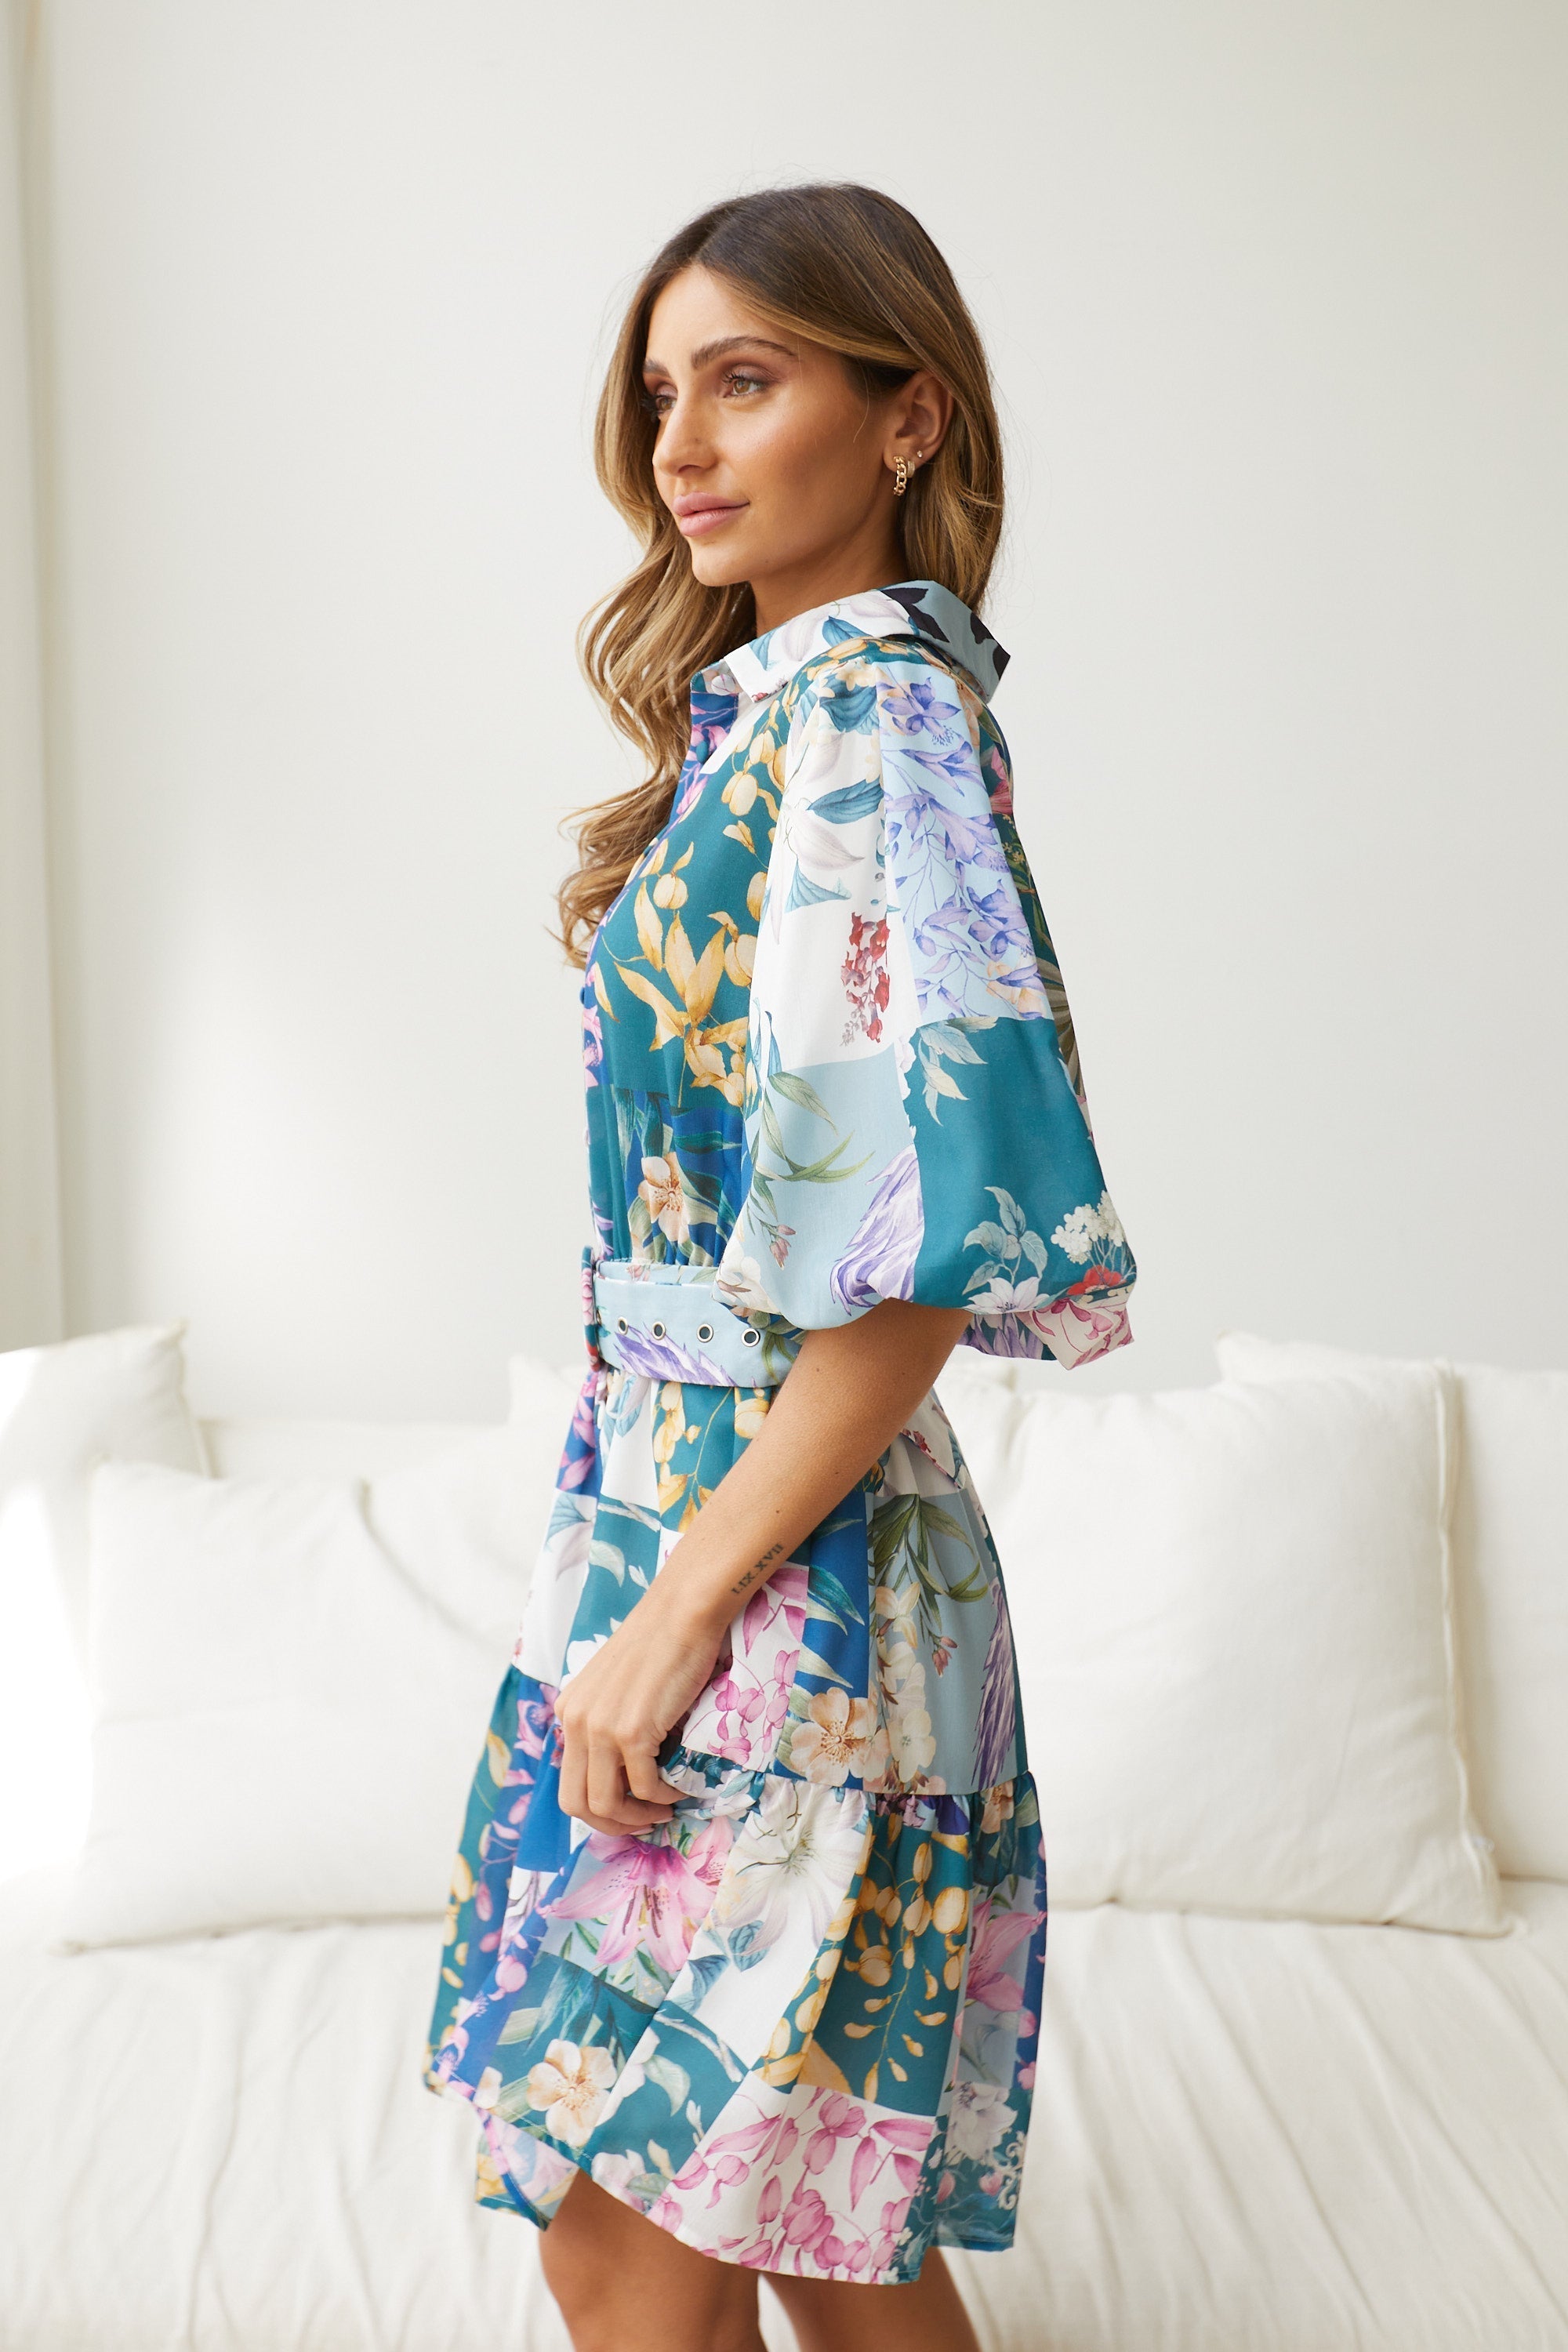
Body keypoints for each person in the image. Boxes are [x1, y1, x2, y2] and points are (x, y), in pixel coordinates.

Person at [423, 181, 1137, 2352]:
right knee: (790, 2223)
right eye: (664, 393)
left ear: (908, 416)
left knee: (646, 2237)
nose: (682, 444)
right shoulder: (783, 715)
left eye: (748, 379)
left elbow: (906, 1266)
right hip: (692, 1524)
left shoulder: (875, 729)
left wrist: (672, 1614)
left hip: (770, 1573)